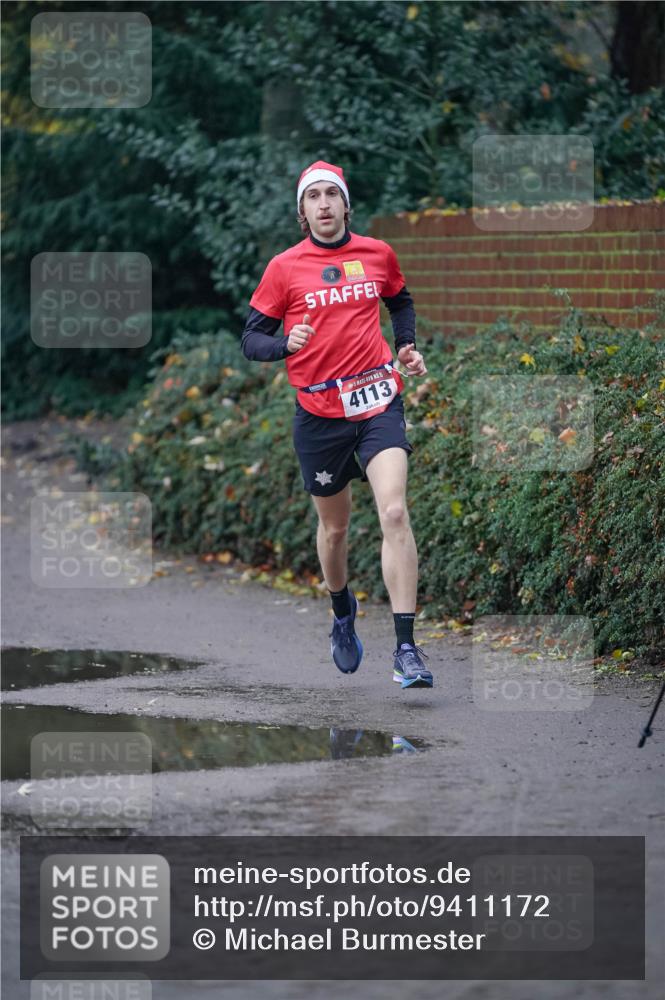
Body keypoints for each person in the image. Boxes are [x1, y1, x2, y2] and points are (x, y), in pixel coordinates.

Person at [241, 160, 433, 689]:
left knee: (394, 511)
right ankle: (341, 609)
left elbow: (399, 298)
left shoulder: (376, 253)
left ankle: (406, 648)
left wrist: (406, 345)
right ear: (302, 211)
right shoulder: (284, 268)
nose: (323, 204)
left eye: (332, 195)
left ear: (346, 204)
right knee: (336, 529)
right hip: (320, 416)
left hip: (377, 401)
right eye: (313, 197)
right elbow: (250, 339)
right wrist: (285, 344)